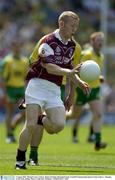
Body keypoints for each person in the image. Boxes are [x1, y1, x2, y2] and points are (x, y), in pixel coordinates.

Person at [15, 11, 90, 169]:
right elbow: (49, 67)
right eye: (72, 25)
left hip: (54, 90)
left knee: (58, 125)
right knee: (30, 125)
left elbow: (70, 70)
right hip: (37, 86)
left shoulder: (71, 46)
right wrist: (68, 73)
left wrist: (80, 81)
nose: (74, 29)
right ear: (61, 24)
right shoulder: (48, 41)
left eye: (76, 26)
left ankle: (41, 119)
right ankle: (20, 160)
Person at [67, 32, 107, 150]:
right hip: (82, 90)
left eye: (101, 40)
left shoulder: (101, 56)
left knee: (98, 114)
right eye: (98, 40)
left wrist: (98, 77)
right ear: (92, 42)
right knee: (74, 115)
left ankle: (97, 141)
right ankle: (55, 117)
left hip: (94, 89)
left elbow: (92, 73)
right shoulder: (86, 54)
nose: (100, 42)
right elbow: (77, 71)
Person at [0, 39, 29, 143]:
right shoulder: (7, 61)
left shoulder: (25, 61)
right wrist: (5, 92)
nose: (17, 48)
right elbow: (2, 78)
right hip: (10, 89)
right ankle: (9, 135)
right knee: (10, 112)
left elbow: (26, 78)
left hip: (21, 89)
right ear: (12, 47)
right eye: (15, 46)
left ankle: (12, 128)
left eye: (19, 46)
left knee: (25, 112)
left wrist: (27, 91)